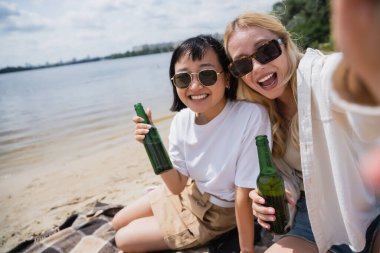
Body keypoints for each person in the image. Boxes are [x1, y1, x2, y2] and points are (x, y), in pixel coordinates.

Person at [223, 0, 380, 252]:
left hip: (367, 206)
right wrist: (280, 195)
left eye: (266, 51)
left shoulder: (320, 75)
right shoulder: (260, 115)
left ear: (284, 44)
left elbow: (352, 79)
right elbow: (291, 177)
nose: (258, 67)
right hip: (311, 216)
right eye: (242, 64)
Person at [112, 35, 271, 252]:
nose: (195, 86)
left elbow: (243, 193)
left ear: (226, 79)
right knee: (117, 222)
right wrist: (152, 146)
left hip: (216, 213)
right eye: (183, 79)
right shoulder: (181, 120)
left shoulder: (250, 116)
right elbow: (176, 185)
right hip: (188, 192)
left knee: (123, 239)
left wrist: (246, 250)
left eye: (206, 75)